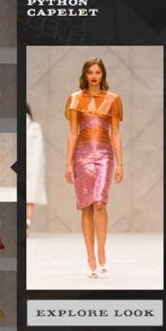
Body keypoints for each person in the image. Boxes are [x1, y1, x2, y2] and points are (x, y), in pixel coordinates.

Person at [65, 57, 124, 279]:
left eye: (98, 72)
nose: (94, 76)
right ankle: (90, 254)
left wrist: (120, 163)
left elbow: (115, 132)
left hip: (104, 155)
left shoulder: (112, 99)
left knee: (99, 202)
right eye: (90, 72)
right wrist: (68, 163)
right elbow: (73, 132)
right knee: (86, 206)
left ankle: (101, 248)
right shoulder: (74, 99)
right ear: (84, 74)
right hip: (81, 156)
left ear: (103, 75)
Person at [26, 105, 48, 228]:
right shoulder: (35, 127)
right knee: (30, 198)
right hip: (34, 167)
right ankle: (27, 223)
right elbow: (40, 151)